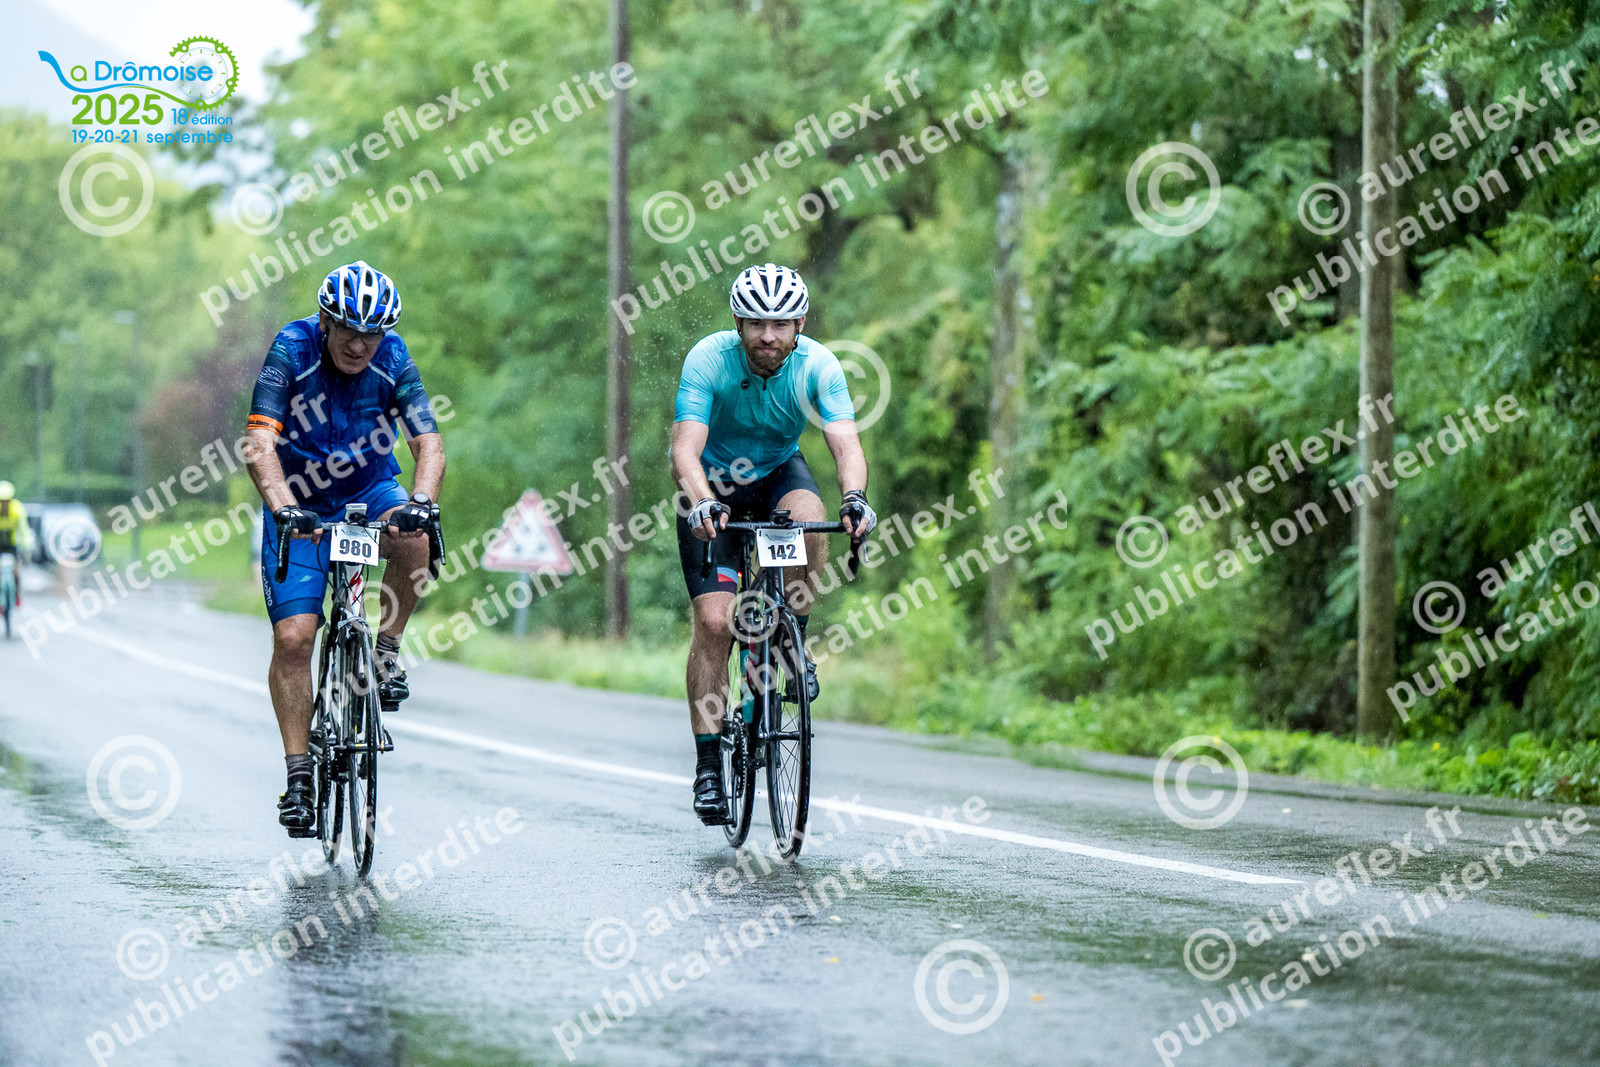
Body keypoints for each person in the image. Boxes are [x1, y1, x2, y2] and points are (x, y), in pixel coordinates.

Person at [243, 261, 446, 837]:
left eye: (372, 334)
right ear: (326, 322)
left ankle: (385, 652)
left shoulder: (392, 356)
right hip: (300, 502)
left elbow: (428, 443)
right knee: (294, 639)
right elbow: (258, 442)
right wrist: (283, 507)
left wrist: (422, 500)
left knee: (416, 535)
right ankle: (299, 776)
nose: (360, 345)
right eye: (349, 331)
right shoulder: (292, 347)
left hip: (369, 491)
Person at [670, 263, 876, 826]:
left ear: (799, 324)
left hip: (779, 474)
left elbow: (846, 446)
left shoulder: (819, 365)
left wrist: (855, 498)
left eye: (781, 324)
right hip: (711, 485)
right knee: (716, 623)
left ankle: (791, 638)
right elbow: (684, 449)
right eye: (757, 324)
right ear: (738, 324)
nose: (768, 336)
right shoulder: (709, 359)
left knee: (810, 519)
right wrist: (703, 501)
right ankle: (708, 767)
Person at [0, 482, 29, 608]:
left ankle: (16, 595)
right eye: (1, 501)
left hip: (12, 545)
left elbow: (24, 529)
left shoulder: (17, 509)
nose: (4, 504)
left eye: (7, 501)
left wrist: (26, 547)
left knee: (16, 571)